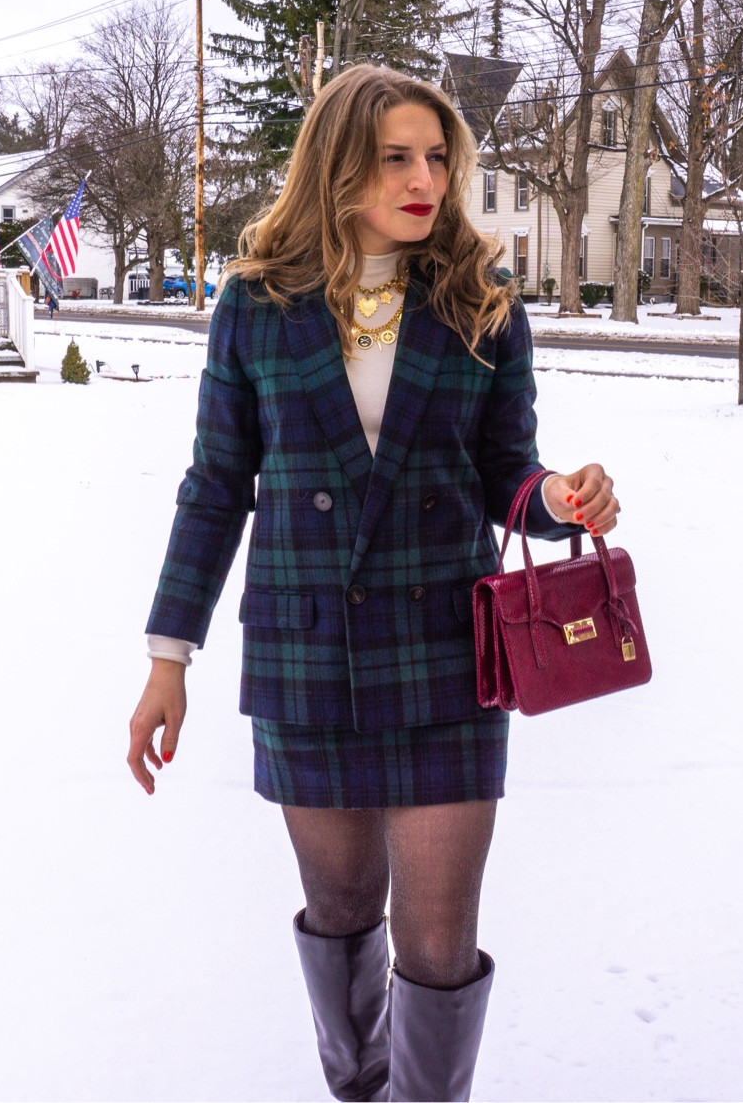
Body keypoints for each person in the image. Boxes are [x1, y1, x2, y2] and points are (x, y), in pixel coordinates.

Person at [128, 65, 620, 1101]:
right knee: (342, 915)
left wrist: (558, 500)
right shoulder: (257, 306)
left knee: (437, 944)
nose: (424, 178)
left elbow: (505, 475)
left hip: (446, 648)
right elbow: (217, 485)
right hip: (308, 652)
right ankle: (356, 1087)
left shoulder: (482, 305)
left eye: (437, 157)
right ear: (338, 164)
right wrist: (167, 658)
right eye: (396, 156)